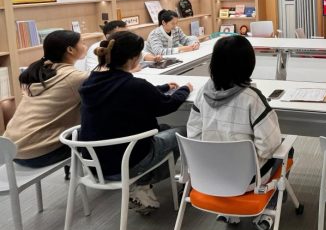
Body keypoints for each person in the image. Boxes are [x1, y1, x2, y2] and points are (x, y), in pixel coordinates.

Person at [79, 31, 193, 213]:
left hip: (95, 163)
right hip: (125, 163)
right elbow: (167, 105)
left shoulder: (91, 82)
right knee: (184, 132)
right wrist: (185, 89)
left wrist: (163, 88)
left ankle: (143, 187)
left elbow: (136, 92)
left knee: (163, 128)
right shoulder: (134, 86)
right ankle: (144, 183)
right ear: (133, 58)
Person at [187, 35, 283, 230]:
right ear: (248, 64)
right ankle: (270, 208)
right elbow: (269, 145)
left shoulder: (202, 93)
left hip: (208, 175)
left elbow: (193, 135)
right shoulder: (252, 98)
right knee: (285, 150)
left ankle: (231, 212)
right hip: (245, 180)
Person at [4, 30, 88, 167]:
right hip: (39, 153)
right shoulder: (74, 78)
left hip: (11, 150)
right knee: (100, 127)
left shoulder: (41, 72)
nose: (86, 46)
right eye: (83, 43)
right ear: (70, 50)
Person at [85, 20, 162, 72]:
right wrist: (127, 70)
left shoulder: (127, 43)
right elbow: (95, 70)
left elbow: (143, 54)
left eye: (128, 33)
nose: (127, 36)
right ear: (108, 36)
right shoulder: (97, 48)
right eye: (122, 34)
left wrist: (154, 58)